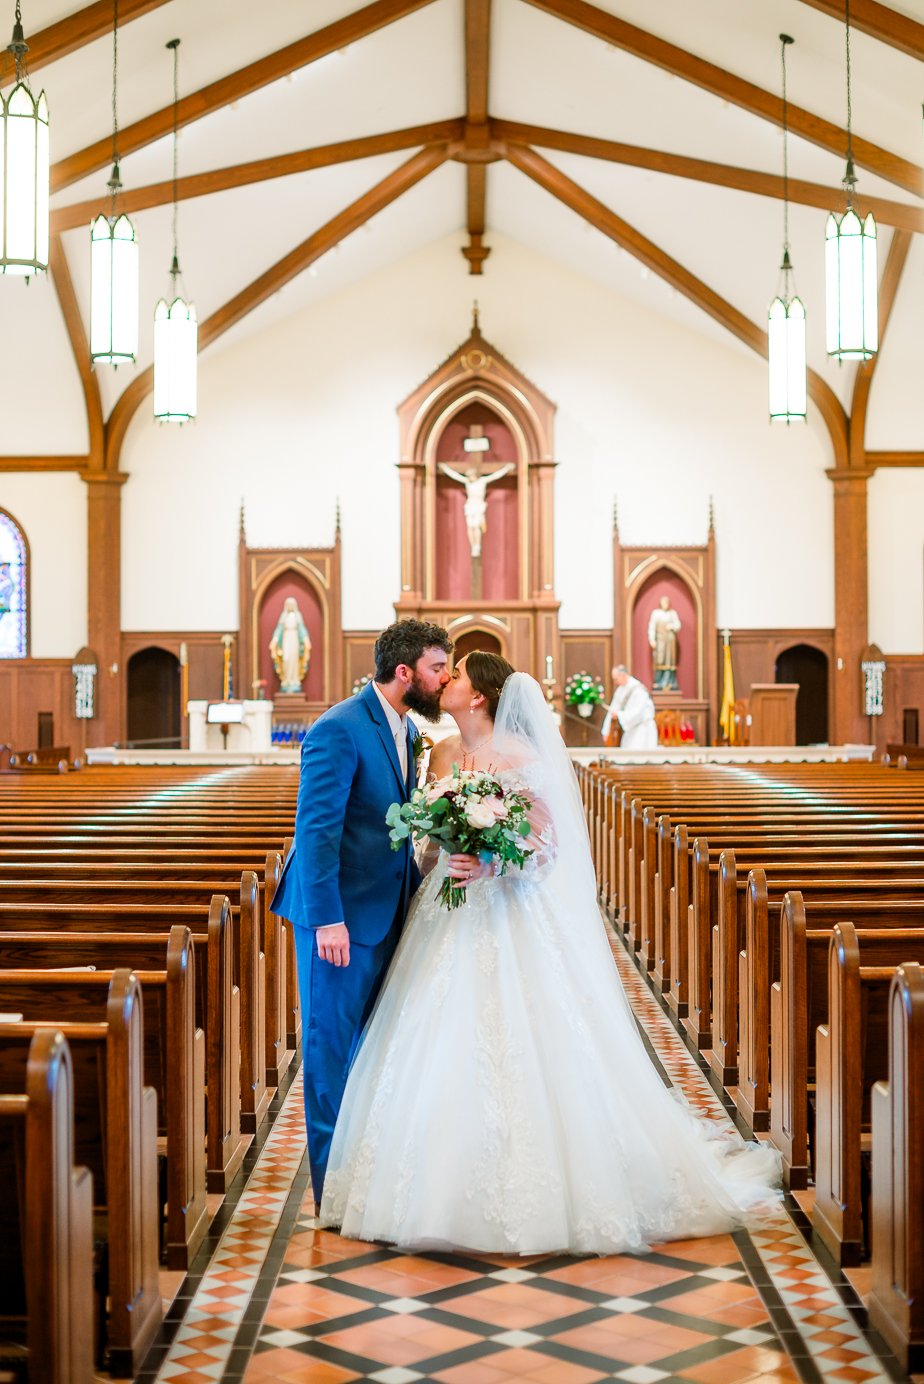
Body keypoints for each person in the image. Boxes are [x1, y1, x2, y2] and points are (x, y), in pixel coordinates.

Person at [320, 654, 780, 1253]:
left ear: (480, 696)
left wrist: (487, 859)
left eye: (455, 675)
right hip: (445, 913)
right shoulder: (441, 754)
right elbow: (430, 842)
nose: (447, 683)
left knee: (529, 1040)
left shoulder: (520, 757)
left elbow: (545, 848)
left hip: (508, 916)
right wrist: (438, 854)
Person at [271, 618, 453, 1206]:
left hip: (387, 910)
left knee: (371, 1050)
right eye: (436, 668)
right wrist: (327, 920)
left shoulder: (403, 728)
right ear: (404, 674)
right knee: (329, 1049)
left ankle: (364, 1176)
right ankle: (330, 1192)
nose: (444, 679)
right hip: (341, 920)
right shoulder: (338, 729)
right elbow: (316, 832)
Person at [438, 461, 515, 558]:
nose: (470, 477)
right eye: (468, 476)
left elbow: (496, 476)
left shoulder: (482, 481)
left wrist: (506, 469)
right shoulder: (467, 482)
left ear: (475, 475)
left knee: (477, 526)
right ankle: (473, 546)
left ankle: (477, 546)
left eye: (471, 475)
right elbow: (455, 476)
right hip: (470, 505)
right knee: (470, 527)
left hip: (478, 505)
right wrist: (445, 469)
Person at [601, 665, 658, 749]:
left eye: (616, 679)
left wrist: (619, 715)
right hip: (630, 730)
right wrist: (606, 731)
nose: (615, 682)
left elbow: (636, 713)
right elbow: (613, 709)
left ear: (623, 675)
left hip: (642, 730)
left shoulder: (638, 690)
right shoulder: (620, 690)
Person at [269, 596, 311, 693]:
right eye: (288, 604)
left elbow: (302, 630)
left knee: (294, 660)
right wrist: (274, 640)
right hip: (286, 639)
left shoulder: (297, 616)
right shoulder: (283, 617)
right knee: (286, 659)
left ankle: (294, 681)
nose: (290, 606)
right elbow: (279, 630)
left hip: (294, 639)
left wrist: (306, 640)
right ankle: (286, 680)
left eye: (292, 604)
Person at [649, 595, 682, 691]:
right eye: (663, 602)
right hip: (660, 641)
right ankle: (659, 682)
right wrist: (652, 640)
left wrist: (671, 626)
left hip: (670, 641)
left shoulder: (672, 613)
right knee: (659, 661)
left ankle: (669, 682)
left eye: (667, 602)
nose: (665, 605)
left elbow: (678, 625)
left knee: (669, 661)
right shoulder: (656, 613)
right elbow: (652, 627)